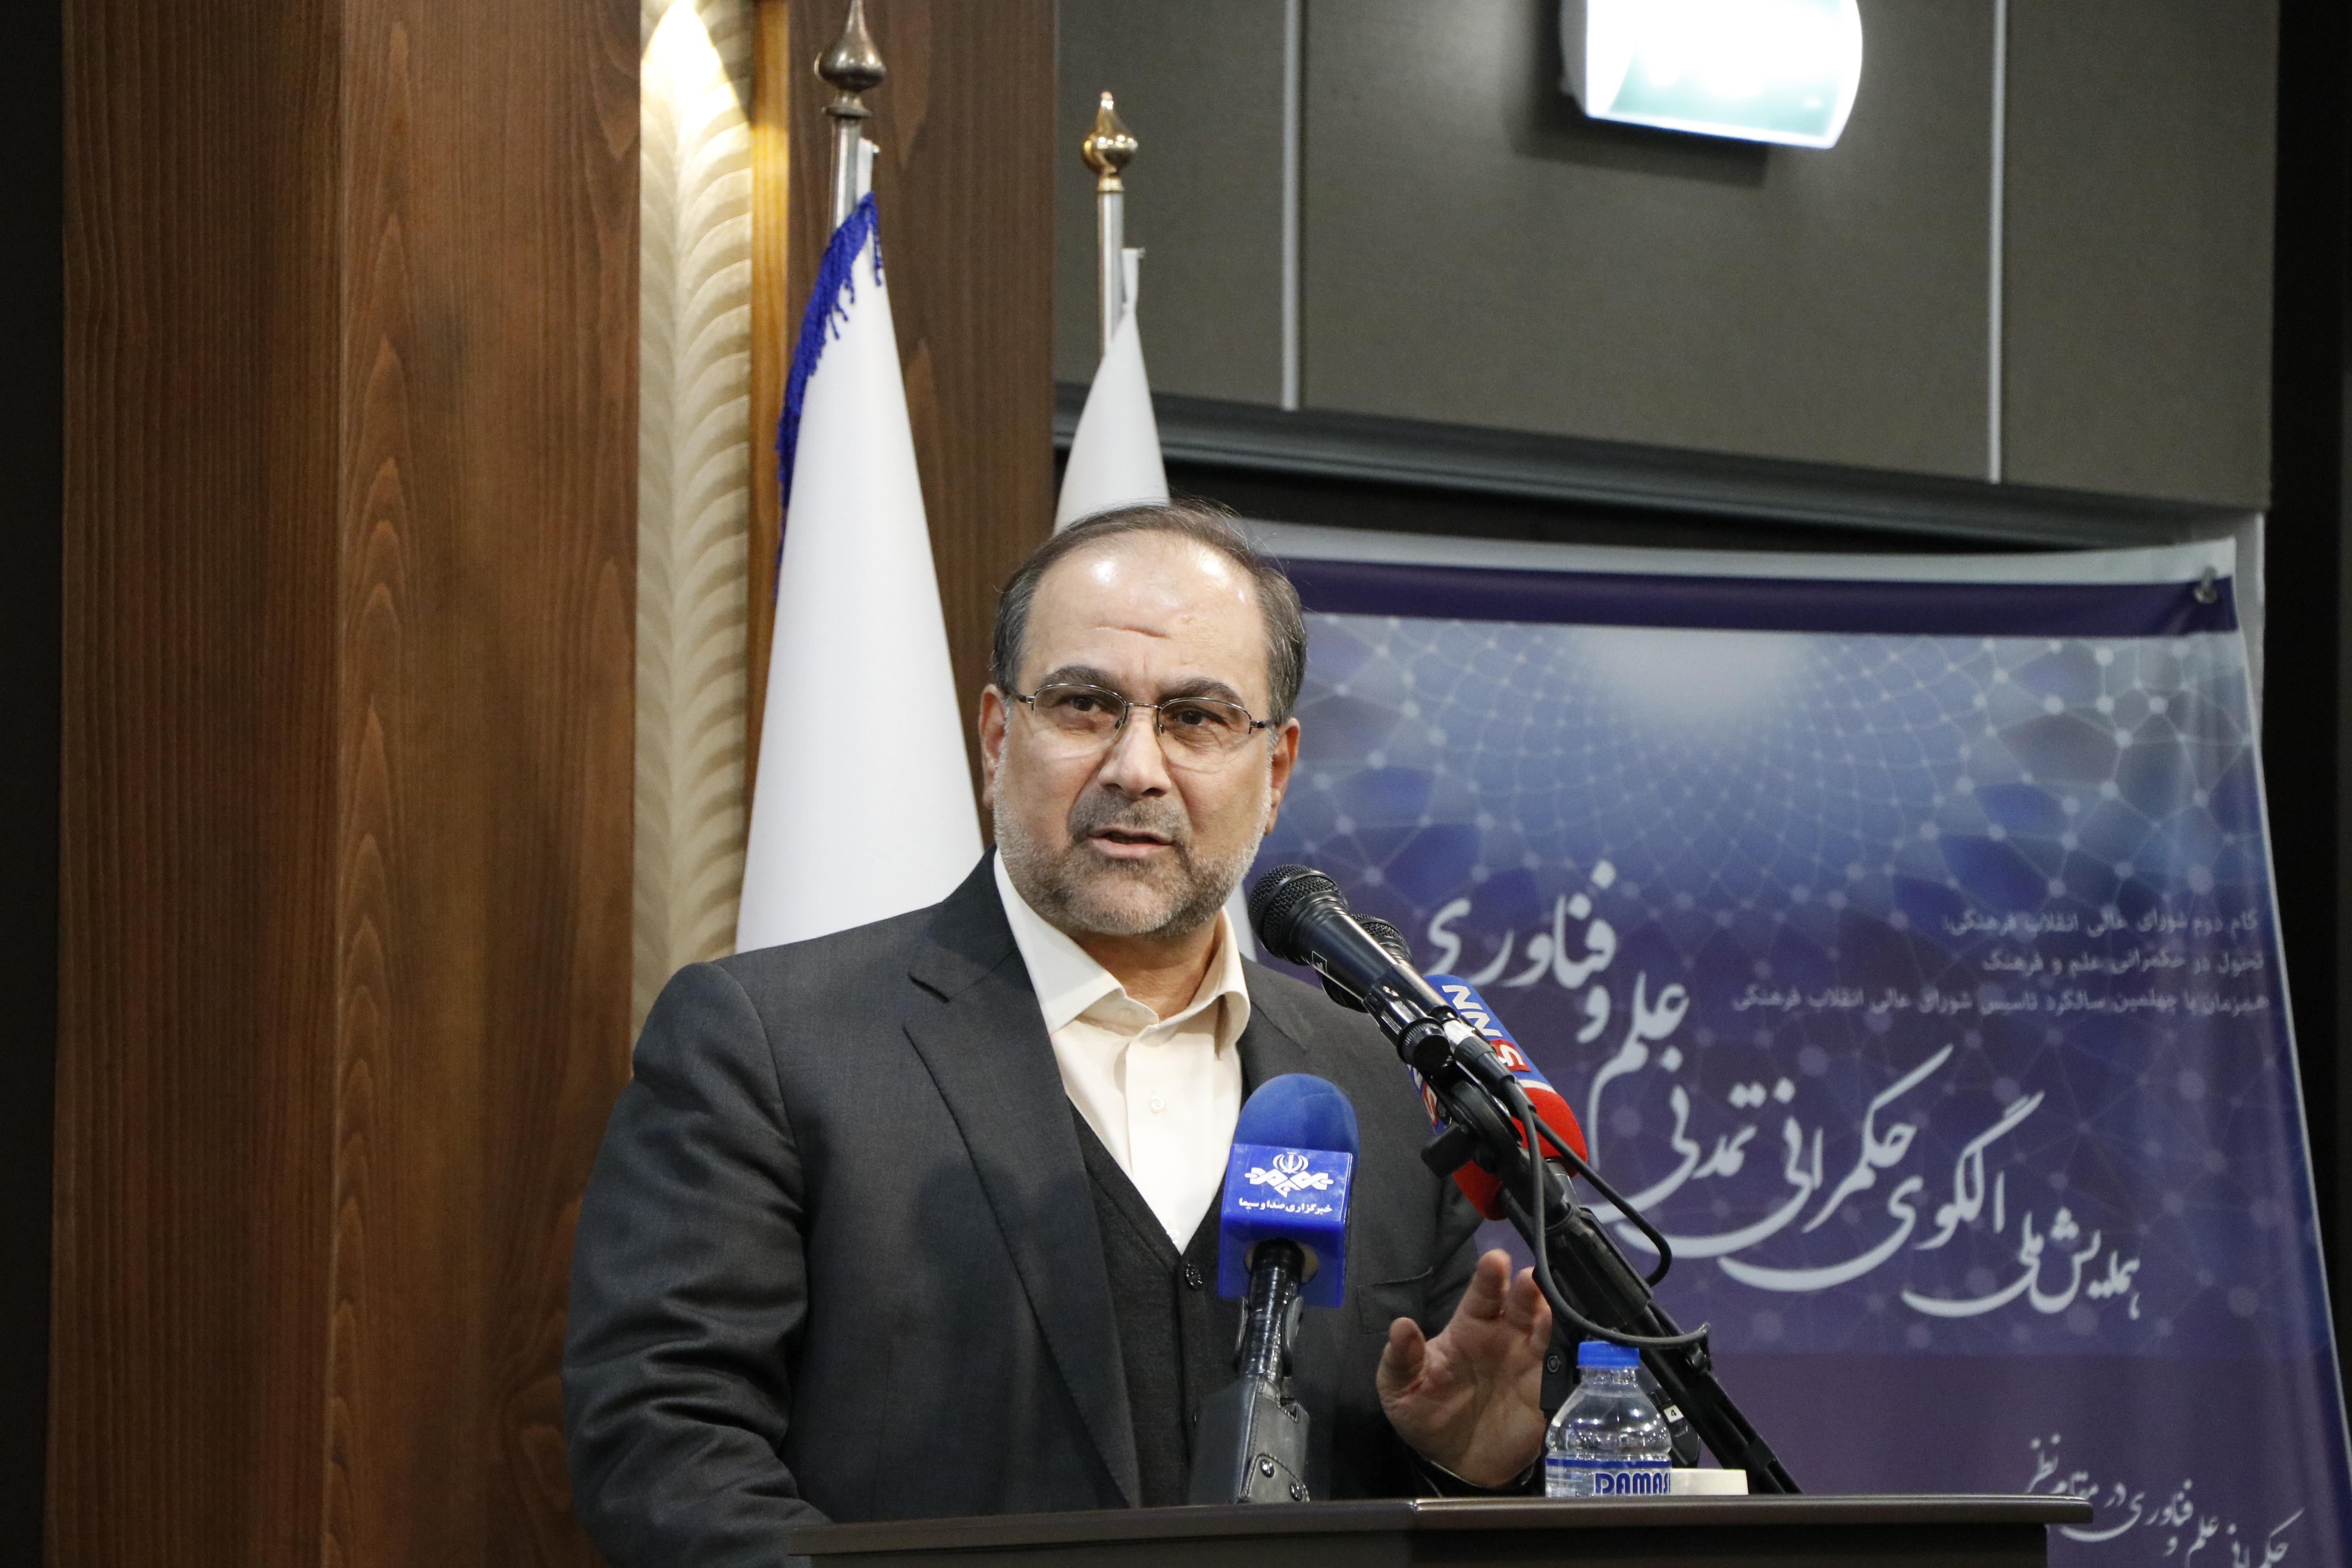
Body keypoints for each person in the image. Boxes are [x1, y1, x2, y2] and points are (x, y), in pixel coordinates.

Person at [564, 503, 1553, 1568]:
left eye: (1197, 719)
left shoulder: (1373, 1069)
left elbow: (1413, 1463)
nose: (1137, 767)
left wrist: (1469, 1467)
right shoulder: (769, 1042)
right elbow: (667, 1454)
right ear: (998, 738)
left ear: (1275, 774)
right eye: (1086, 705)